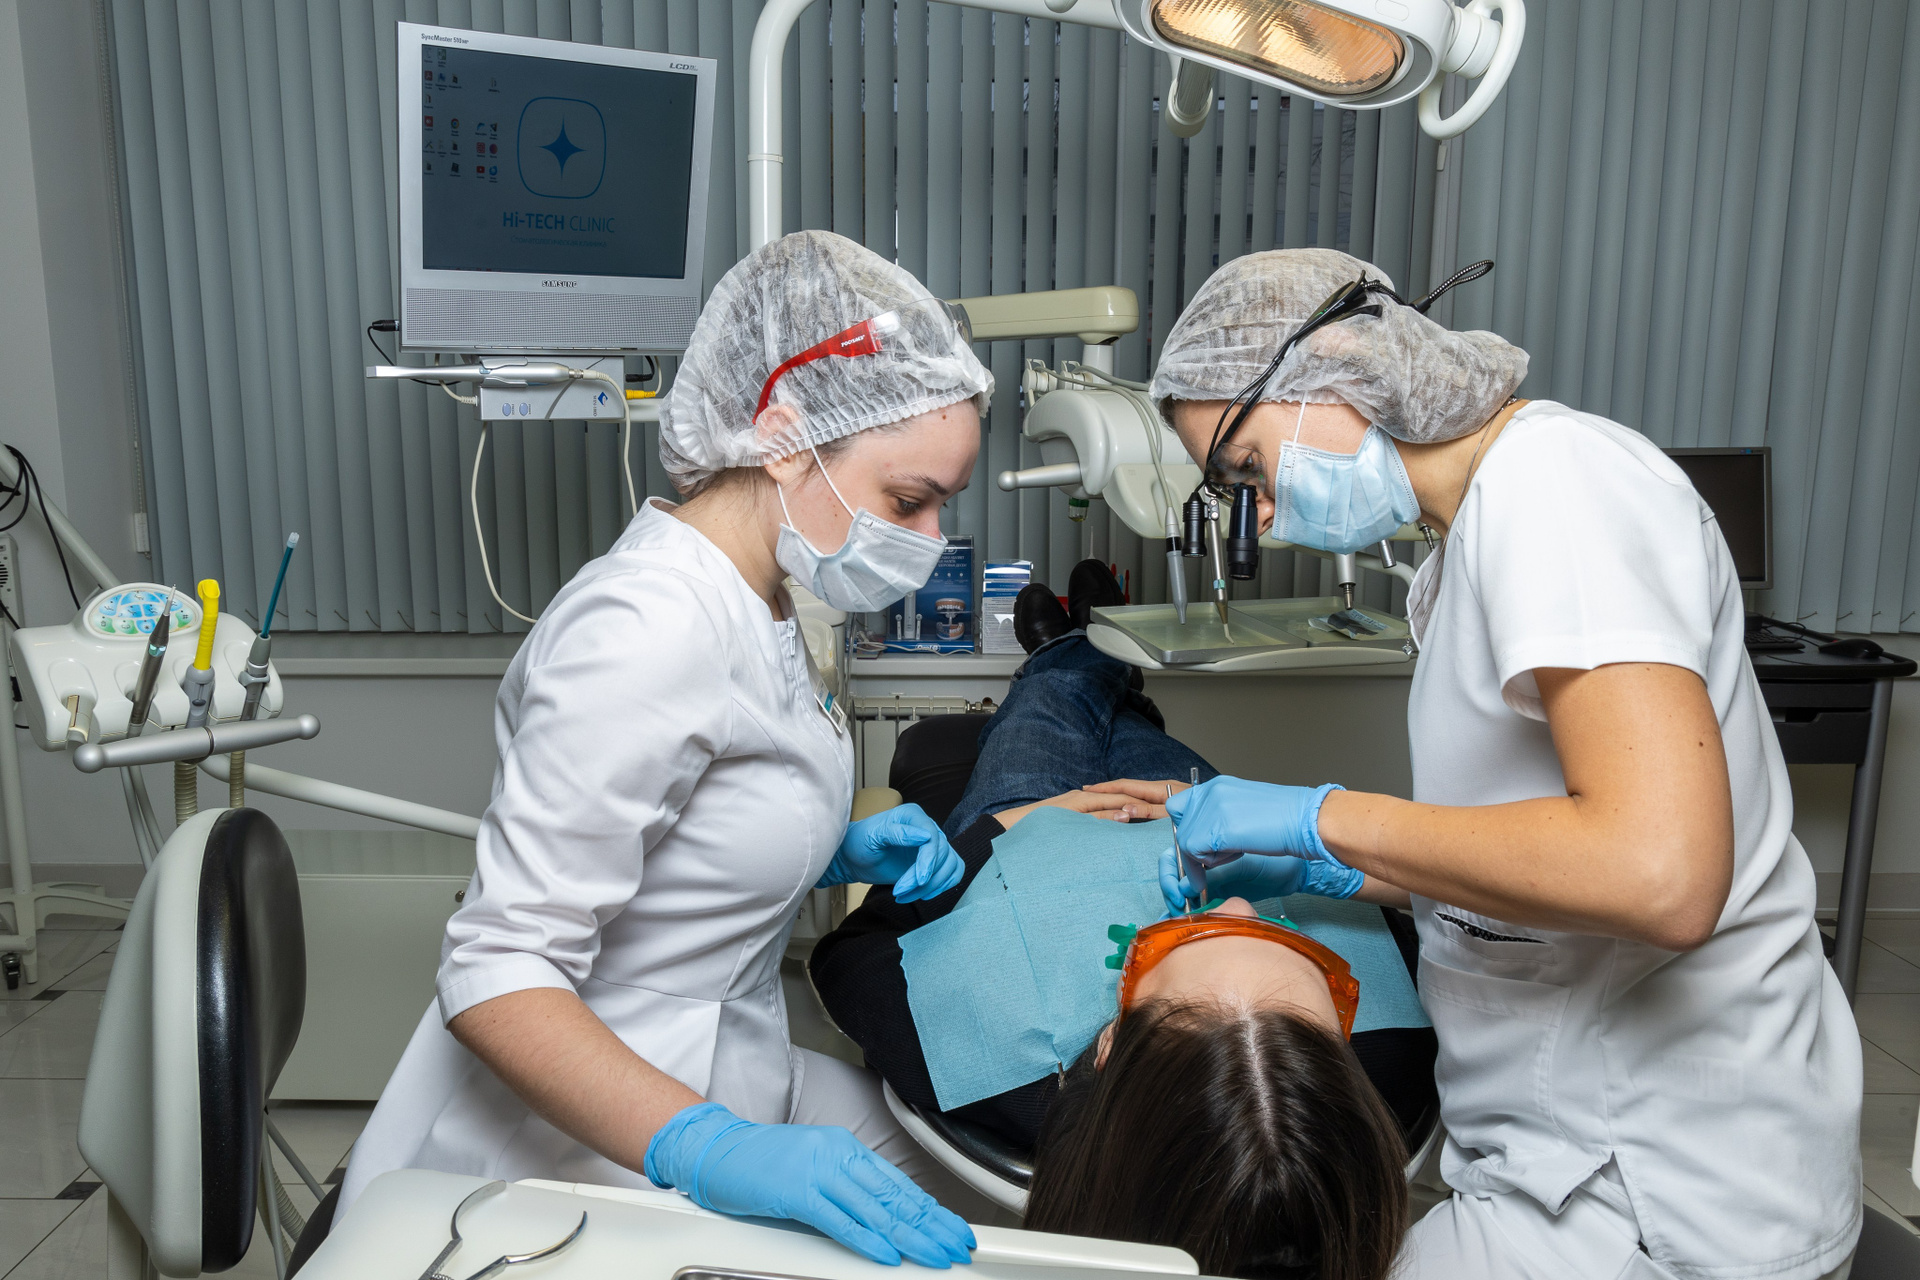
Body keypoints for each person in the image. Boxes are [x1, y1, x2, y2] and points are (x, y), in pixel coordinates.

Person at [1097, 248, 1860, 1280]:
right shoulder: (1476, 536)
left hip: (1662, 1187)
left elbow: (1660, 874)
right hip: (1568, 1159)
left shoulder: (1559, 486)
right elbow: (1543, 854)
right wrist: (1329, 864)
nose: (1260, 516)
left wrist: (1322, 818)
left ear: (1333, 373)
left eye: (1246, 469)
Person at [338, 231, 998, 1268]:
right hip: (584, 1127)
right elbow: (495, 970)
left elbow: (687, 814)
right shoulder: (647, 625)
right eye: (908, 500)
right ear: (785, 437)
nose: (928, 537)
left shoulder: (761, 591)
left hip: (731, 1053)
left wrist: (826, 850)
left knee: (996, 1200)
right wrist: (707, 1144)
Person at [810, 579, 1435, 1279]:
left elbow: (853, 952)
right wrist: (1304, 854)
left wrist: (1008, 827)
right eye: (1289, 941)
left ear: (1108, 1046)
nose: (1236, 907)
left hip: (1039, 826)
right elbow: (1439, 916)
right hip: (1198, 817)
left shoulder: (989, 1072)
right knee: (1137, 732)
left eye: (1186, 935)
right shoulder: (1393, 1068)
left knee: (1049, 711)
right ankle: (1105, 660)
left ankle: (1073, 647)